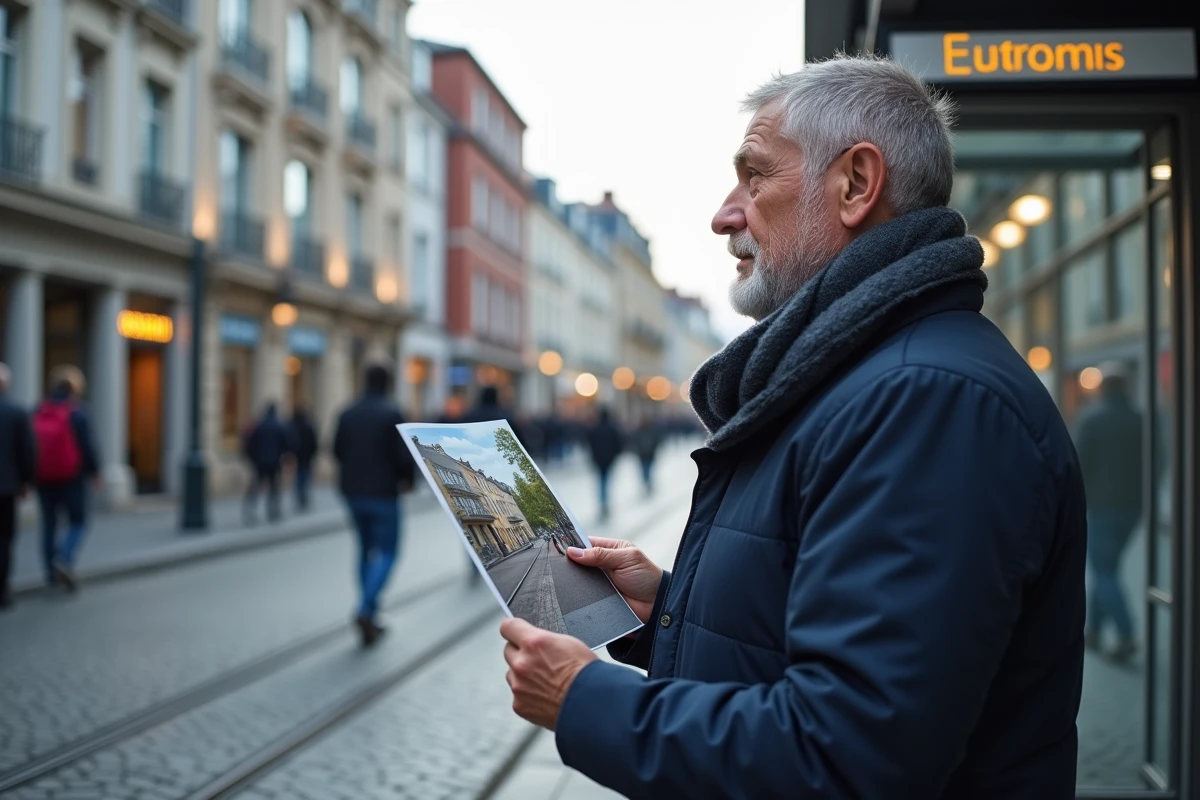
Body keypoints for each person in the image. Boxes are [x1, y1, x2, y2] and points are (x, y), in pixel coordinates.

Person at [498, 55, 1087, 800]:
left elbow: (850, 753)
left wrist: (586, 700)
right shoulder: (857, 375)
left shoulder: (924, 400)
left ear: (855, 185)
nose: (724, 213)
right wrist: (667, 613)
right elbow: (825, 644)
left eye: (755, 175)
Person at [333, 363, 415, 647]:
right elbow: (404, 457)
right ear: (387, 384)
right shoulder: (391, 414)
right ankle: (366, 609)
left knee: (364, 550)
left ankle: (369, 609)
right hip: (383, 493)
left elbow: (336, 450)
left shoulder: (347, 412)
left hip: (353, 493)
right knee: (389, 551)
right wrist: (408, 481)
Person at [1074, 362, 1143, 661]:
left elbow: (1078, 463)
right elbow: (1160, 459)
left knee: (1104, 571)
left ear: (1102, 388)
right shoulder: (1139, 419)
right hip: (1132, 507)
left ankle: (1126, 633)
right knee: (1108, 568)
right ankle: (1093, 631)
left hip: (1101, 506)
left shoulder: (1092, 418)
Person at [33, 365, 100, 592]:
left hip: (44, 477)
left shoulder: (40, 410)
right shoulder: (78, 412)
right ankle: (64, 557)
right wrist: (95, 473)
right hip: (72, 477)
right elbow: (87, 447)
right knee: (78, 521)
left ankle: (50, 576)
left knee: (49, 525)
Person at [0, 363, 36, 608]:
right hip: (6, 487)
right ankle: (2, 590)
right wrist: (26, 481)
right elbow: (27, 452)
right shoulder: (16, 411)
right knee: (4, 539)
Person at [242, 403, 291, 525]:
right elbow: (287, 443)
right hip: (274, 462)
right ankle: (273, 511)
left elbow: (249, 444)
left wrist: (253, 459)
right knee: (274, 486)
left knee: (256, 486)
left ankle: (250, 510)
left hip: (259, 462)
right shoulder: (279, 425)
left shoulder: (259, 425)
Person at [585, 407, 624, 522]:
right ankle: (605, 502)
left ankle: (602, 502)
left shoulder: (595, 429)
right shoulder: (613, 428)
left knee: (601, 480)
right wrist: (615, 455)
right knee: (606, 480)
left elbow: (590, 443)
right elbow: (619, 443)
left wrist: (593, 457)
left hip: (598, 460)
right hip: (609, 459)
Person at [290, 406, 319, 512]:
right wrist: (313, 453)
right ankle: (303, 496)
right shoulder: (309, 426)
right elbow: (314, 442)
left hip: (299, 455)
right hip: (307, 456)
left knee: (299, 475)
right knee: (305, 475)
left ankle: (300, 495)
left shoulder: (294, 426)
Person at [628, 418, 660, 496]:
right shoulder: (639, 431)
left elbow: (656, 441)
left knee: (647, 470)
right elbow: (635, 442)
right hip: (643, 455)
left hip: (648, 454)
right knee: (645, 470)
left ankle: (648, 483)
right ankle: (647, 482)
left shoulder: (651, 431)